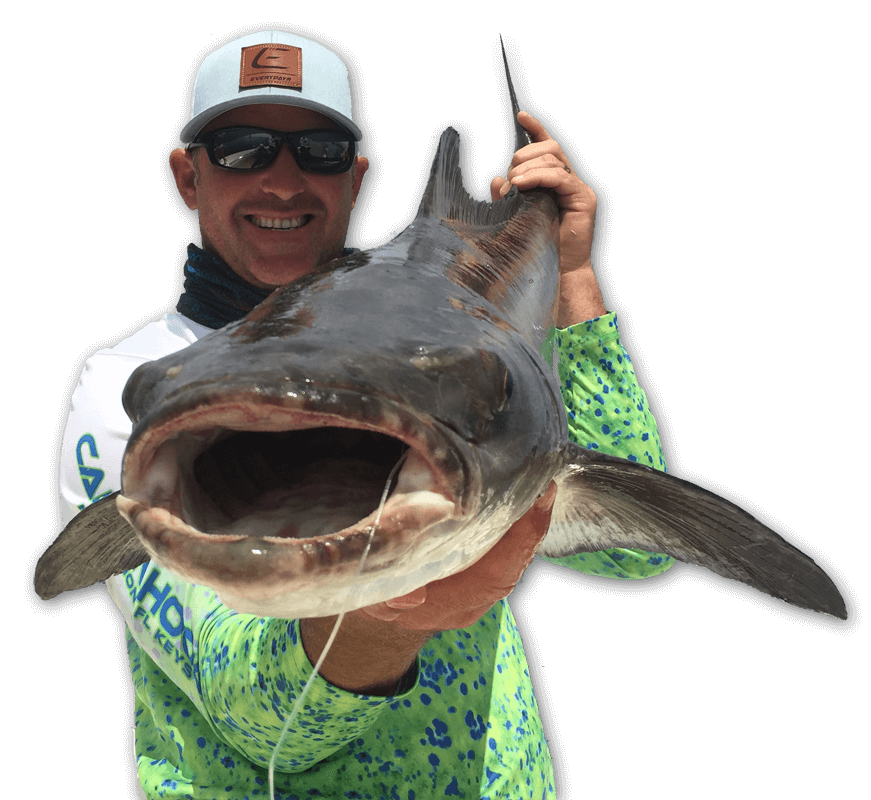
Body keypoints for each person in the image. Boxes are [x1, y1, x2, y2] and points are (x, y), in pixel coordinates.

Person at [59, 31, 674, 799]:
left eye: (316, 151)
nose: (281, 182)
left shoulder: (459, 351)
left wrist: (573, 273)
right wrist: (394, 613)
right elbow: (240, 707)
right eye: (242, 148)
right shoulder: (119, 383)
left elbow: (633, 556)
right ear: (188, 175)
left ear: (355, 179)